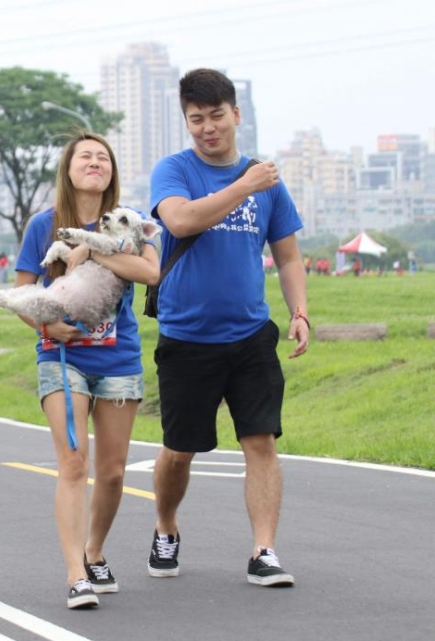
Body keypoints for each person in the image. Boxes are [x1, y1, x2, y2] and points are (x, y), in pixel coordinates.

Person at [147, 68, 308, 588]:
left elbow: (287, 257)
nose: (208, 128)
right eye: (196, 119)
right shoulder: (174, 170)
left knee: (260, 441)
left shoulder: (267, 183)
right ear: (186, 121)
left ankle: (264, 550)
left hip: (251, 335)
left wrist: (300, 312)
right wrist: (243, 185)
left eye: (217, 116)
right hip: (187, 337)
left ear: (236, 114)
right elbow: (181, 222)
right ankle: (166, 527)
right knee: (180, 449)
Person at [12, 132, 159, 609]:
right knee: (74, 463)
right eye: (85, 157)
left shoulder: (130, 222)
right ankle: (76, 572)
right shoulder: (43, 224)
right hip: (62, 357)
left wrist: (92, 250)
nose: (95, 163)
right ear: (68, 169)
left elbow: (149, 273)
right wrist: (47, 324)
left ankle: (94, 550)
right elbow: (22, 291)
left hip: (118, 358)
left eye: (103, 158)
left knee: (113, 473)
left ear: (112, 171)